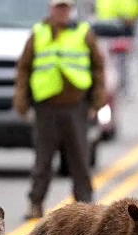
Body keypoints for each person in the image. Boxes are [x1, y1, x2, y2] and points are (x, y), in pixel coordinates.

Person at [13, 0, 107, 219]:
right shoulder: (39, 34)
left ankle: (85, 207)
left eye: (65, 8)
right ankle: (35, 203)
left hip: (76, 106)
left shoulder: (83, 33)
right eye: (58, 7)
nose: (62, 12)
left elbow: (98, 67)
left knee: (80, 160)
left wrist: (97, 101)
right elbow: (24, 68)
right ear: (50, 9)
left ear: (70, 10)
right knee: (43, 160)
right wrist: (21, 100)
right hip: (46, 106)